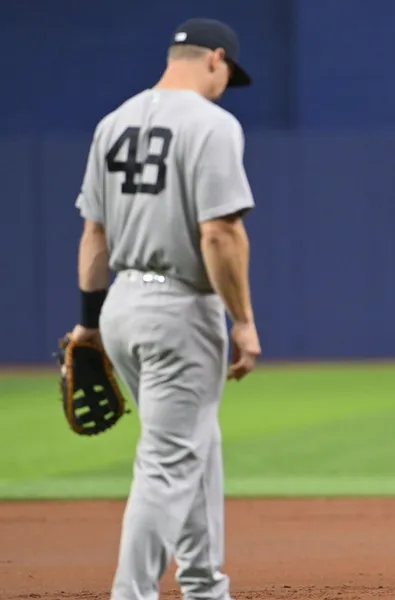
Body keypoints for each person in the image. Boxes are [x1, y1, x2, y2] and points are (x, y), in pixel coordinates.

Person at [70, 17, 260, 600]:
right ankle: (131, 593)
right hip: (178, 308)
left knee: (195, 444)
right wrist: (243, 321)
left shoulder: (112, 123)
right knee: (167, 461)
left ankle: (204, 585)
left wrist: (88, 322)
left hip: (121, 303)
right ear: (215, 59)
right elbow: (220, 233)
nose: (226, 86)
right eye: (228, 74)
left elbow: (94, 236)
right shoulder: (212, 124)